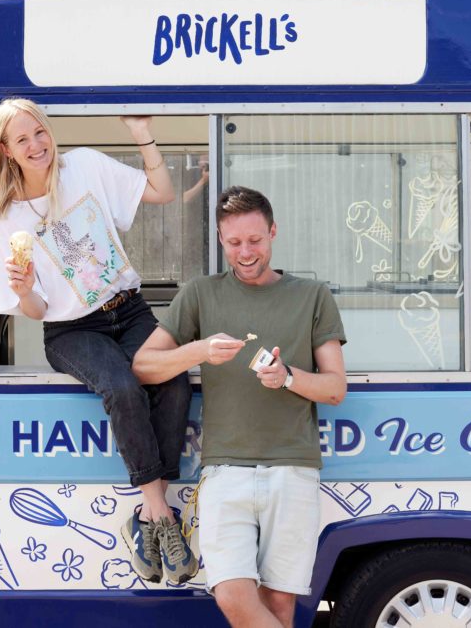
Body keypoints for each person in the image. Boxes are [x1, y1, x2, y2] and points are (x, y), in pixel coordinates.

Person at [0, 98, 198, 585]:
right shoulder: (5, 221)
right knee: (122, 387)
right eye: (22, 139)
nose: (36, 145)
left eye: (39, 132)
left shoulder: (85, 166)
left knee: (177, 382)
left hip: (130, 310)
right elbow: (35, 312)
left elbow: (162, 190)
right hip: (71, 331)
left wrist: (142, 130)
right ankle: (161, 515)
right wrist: (22, 289)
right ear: (6, 149)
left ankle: (144, 520)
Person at [132, 186, 347, 628]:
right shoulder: (200, 294)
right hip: (225, 470)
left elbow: (334, 388)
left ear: (273, 233)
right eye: (234, 243)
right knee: (231, 594)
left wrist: (287, 376)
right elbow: (143, 367)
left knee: (280, 607)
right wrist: (200, 351)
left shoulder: (312, 295)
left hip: (293, 468)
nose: (245, 252)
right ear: (220, 240)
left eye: (255, 240)